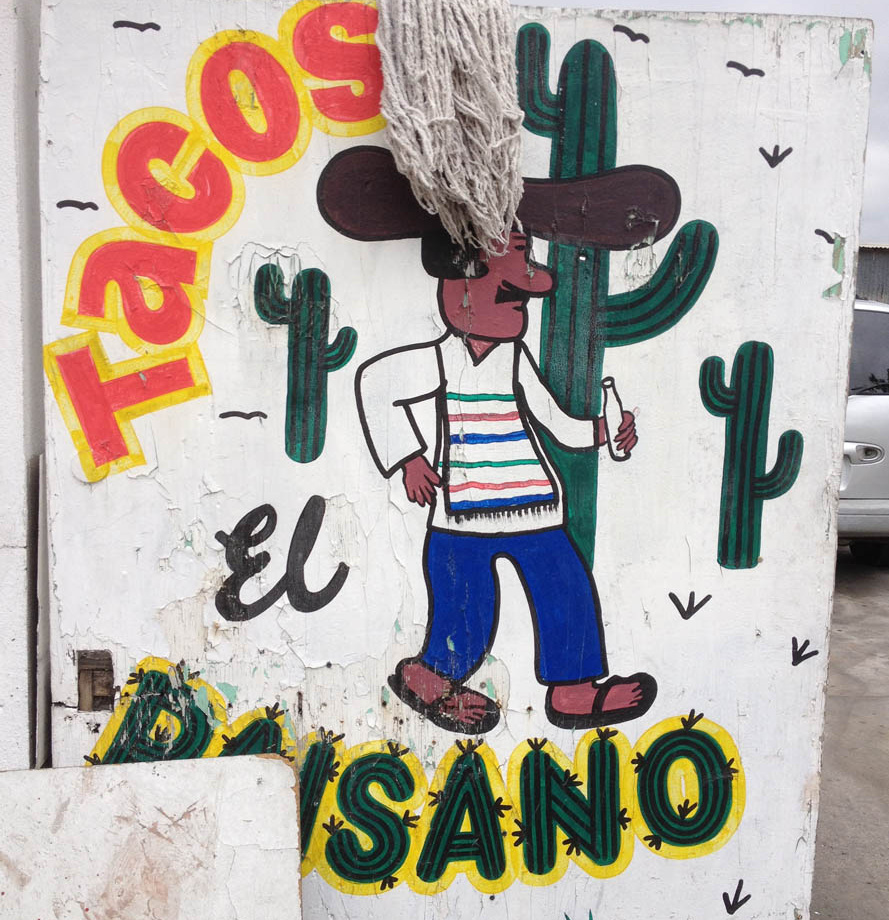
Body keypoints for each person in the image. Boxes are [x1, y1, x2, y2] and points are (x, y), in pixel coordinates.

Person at [317, 145, 678, 733]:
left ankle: (574, 691)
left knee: (565, 591)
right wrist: (408, 459)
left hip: (534, 505)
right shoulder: (441, 358)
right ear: (461, 287)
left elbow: (556, 422)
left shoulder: (514, 361)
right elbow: (376, 384)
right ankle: (430, 679)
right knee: (465, 610)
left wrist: (605, 432)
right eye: (511, 290)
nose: (522, 303)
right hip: (462, 515)